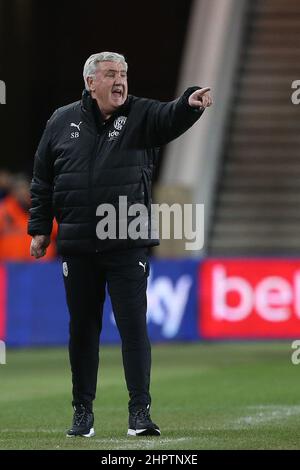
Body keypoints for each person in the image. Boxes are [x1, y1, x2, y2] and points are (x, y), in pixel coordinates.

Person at [28, 51, 212, 438]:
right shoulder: (61, 121)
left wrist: (190, 101)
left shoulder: (141, 116)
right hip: (78, 245)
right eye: (111, 74)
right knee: (82, 330)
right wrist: (40, 229)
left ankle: (139, 414)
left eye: (125, 73)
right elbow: (43, 179)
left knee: (133, 330)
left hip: (126, 241)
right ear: (90, 82)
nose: (120, 80)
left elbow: (170, 115)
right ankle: (82, 412)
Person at [0, 174, 57, 261]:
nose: (22, 193)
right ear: (13, 192)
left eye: (25, 189)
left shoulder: (43, 209)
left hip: (43, 267)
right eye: (18, 189)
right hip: (9, 268)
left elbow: (60, 231)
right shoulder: (3, 212)